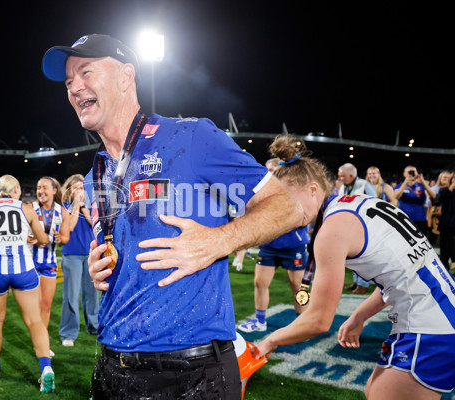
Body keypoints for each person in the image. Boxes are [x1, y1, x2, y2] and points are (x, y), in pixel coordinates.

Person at [42, 34, 302, 399]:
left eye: (85, 72)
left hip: (193, 373)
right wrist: (99, 263)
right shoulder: (95, 173)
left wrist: (220, 240)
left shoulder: (191, 137)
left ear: (125, 76)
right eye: (69, 82)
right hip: (112, 366)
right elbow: (118, 248)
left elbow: (287, 205)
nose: (75, 87)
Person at [253, 135, 455, 399]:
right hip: (440, 316)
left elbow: (318, 320)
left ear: (314, 189)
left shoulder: (332, 230)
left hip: (429, 328)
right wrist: (359, 316)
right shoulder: (360, 204)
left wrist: (270, 341)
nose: (283, 211)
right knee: (374, 390)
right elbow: (398, 274)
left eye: (287, 199)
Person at [0, 174, 55, 393]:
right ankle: (46, 368)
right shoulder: (26, 209)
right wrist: (34, 238)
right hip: (24, 271)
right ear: (15, 189)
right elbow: (43, 240)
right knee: (35, 321)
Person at [238, 158, 310, 333]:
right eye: (267, 169)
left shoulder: (296, 190)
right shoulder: (261, 191)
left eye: (273, 169)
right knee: (259, 282)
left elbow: (303, 218)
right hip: (269, 246)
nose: (269, 172)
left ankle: (303, 323)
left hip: (294, 247)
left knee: (298, 286)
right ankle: (260, 321)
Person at [27, 176, 70, 352]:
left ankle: (42, 345)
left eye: (44, 187)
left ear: (54, 191)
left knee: (45, 306)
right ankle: (38, 342)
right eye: (38, 187)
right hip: (30, 263)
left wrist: (61, 238)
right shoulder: (29, 208)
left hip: (50, 263)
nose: (40, 191)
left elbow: (66, 238)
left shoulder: (63, 212)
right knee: (35, 307)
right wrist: (32, 239)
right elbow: (20, 234)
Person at [59, 174, 99, 347]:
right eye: (74, 187)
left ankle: (94, 326)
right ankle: (68, 332)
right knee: (71, 295)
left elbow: (95, 224)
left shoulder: (92, 205)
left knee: (92, 294)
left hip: (90, 253)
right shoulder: (64, 207)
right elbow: (69, 227)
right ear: (69, 190)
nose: (78, 190)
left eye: (81, 187)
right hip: (71, 254)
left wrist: (85, 209)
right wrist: (76, 207)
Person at [338, 163, 376, 294]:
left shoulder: (365, 185)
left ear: (351, 175)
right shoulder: (344, 186)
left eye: (342, 176)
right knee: (353, 256)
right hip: (349, 226)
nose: (340, 179)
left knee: (363, 256)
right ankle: (356, 281)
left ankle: (363, 285)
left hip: (364, 226)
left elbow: (375, 204)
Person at [394, 165, 436, 238]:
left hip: (420, 219)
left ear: (417, 173)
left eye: (413, 171)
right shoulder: (399, 186)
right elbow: (396, 197)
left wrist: (423, 182)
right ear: (404, 174)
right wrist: (405, 182)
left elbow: (433, 196)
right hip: (404, 219)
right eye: (409, 172)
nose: (411, 173)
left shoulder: (422, 186)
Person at [436, 172, 455, 271]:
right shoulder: (444, 190)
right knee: (445, 249)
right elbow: (440, 199)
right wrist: (451, 187)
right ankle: (445, 269)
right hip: (446, 224)